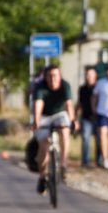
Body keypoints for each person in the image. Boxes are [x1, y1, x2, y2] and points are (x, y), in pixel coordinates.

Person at [31, 61, 74, 195]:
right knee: (44, 146)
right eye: (50, 76)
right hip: (44, 116)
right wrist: (36, 120)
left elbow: (69, 104)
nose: (53, 79)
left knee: (64, 132)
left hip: (59, 114)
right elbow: (38, 105)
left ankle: (63, 164)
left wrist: (72, 120)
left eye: (55, 76)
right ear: (45, 77)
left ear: (60, 76)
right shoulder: (40, 87)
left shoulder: (65, 85)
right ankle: (42, 176)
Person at [76, 65, 100, 168]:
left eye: (90, 75)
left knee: (99, 140)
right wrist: (75, 116)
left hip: (98, 117)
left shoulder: (99, 87)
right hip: (86, 117)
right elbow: (79, 103)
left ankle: (99, 161)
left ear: (95, 76)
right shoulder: (82, 89)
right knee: (85, 139)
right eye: (87, 75)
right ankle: (85, 161)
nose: (88, 77)